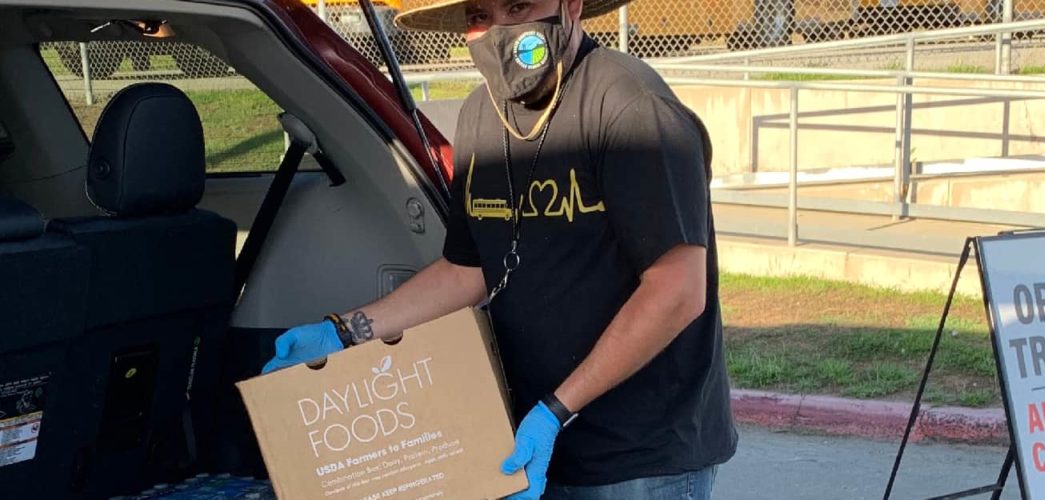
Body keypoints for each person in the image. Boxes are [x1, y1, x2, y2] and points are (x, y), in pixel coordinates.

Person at [261, 0, 737, 498]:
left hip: (641, 458)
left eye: (518, 7)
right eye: (479, 16)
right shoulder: (479, 117)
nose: (498, 31)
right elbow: (467, 270)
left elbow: (678, 290)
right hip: (531, 444)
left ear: (570, 6)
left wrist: (555, 411)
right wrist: (345, 331)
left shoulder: (630, 108)